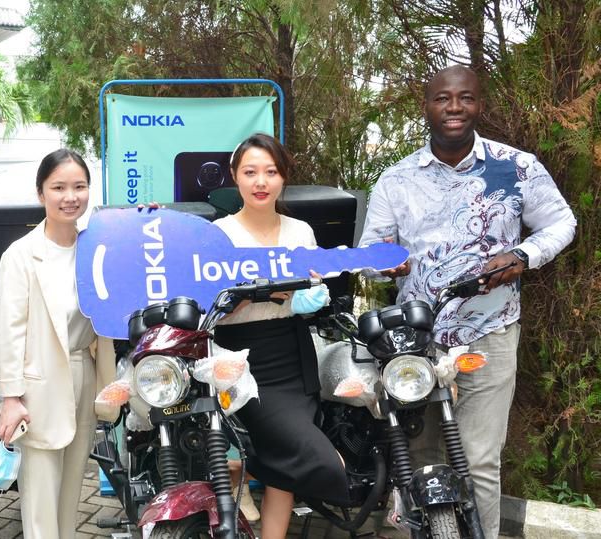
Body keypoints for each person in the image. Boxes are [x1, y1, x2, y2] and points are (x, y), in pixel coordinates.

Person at [360, 65, 576, 538]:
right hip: (417, 342)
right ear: (427, 105)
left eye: (464, 98)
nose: (453, 108)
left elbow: (562, 223)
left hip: (489, 335)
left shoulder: (515, 167)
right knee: (419, 458)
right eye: (442, 99)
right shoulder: (397, 179)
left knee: (478, 460)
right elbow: (370, 254)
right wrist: (385, 262)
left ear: (479, 104)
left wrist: (522, 254)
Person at [212, 133, 349, 539]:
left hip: (293, 354)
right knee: (310, 456)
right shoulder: (217, 235)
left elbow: (308, 292)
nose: (261, 182)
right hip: (241, 361)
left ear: (283, 177)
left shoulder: (300, 231)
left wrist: (310, 298)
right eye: (250, 172)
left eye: (270, 172)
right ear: (235, 177)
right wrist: (270, 293)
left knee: (283, 472)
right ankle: (240, 467)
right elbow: (211, 308)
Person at [0, 149, 116, 538]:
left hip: (83, 375)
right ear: (40, 193)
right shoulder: (22, 255)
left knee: (70, 493)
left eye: (79, 187)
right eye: (58, 187)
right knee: (41, 498)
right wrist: (11, 398)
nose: (70, 197)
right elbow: (8, 330)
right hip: (38, 383)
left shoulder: (94, 250)